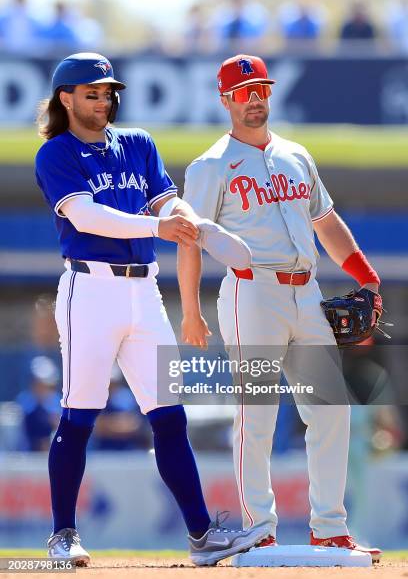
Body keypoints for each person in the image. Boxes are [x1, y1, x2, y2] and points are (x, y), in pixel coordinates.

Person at [34, 52, 268, 567]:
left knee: (169, 417)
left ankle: (202, 536)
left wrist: (188, 221)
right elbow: (87, 216)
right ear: (65, 99)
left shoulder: (137, 143)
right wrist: (158, 228)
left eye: (107, 92)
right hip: (89, 292)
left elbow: (165, 200)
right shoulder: (56, 153)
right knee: (79, 416)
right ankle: (62, 535)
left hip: (145, 292)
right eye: (91, 92)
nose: (102, 100)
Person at [179, 54, 382, 563]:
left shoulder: (296, 154)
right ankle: (258, 530)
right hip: (252, 293)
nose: (255, 99)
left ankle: (330, 528)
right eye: (244, 91)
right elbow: (189, 242)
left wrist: (367, 277)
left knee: (331, 410)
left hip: (306, 292)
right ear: (225, 99)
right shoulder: (209, 166)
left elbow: (326, 221)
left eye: (261, 89)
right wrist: (190, 310)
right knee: (258, 414)